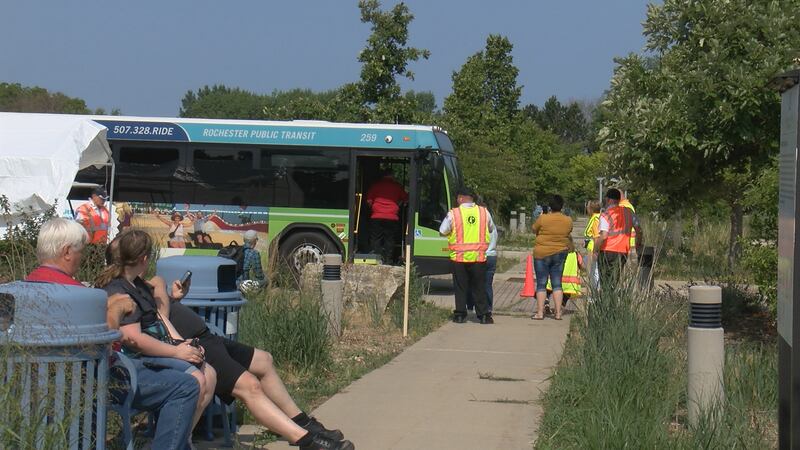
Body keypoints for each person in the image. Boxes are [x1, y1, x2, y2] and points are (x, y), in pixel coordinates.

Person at [107, 238, 355, 450]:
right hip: (191, 345)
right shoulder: (123, 290)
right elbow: (141, 328)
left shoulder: (141, 286)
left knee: (264, 360)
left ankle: (301, 421)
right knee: (250, 386)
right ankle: (306, 441)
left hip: (207, 337)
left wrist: (172, 297)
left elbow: (158, 290)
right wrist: (168, 314)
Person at [26, 218, 200, 450]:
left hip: (34, 385)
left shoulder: (24, 287)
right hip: (92, 383)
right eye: (81, 251)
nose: (83, 257)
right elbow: (102, 348)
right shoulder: (77, 295)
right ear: (67, 252)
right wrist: (116, 310)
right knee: (185, 386)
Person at [94, 230, 216, 437]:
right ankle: (172, 440)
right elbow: (133, 339)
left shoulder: (136, 284)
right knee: (197, 379)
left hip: (153, 351)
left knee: (209, 374)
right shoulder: (119, 289)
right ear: (144, 259)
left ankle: (181, 439)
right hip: (135, 360)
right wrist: (177, 352)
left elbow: (155, 311)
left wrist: (179, 343)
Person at [439, 188, 495, 324]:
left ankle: (460, 315)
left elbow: (442, 231)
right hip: (478, 257)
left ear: (460, 198)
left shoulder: (454, 213)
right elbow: (491, 228)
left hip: (459, 258)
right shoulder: (484, 212)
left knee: (460, 287)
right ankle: (483, 316)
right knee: (479, 286)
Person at [531, 195, 573, 320]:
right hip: (560, 253)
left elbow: (534, 229)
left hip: (541, 253)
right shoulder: (568, 220)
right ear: (562, 206)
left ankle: (539, 313)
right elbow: (569, 231)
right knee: (557, 283)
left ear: (550, 207)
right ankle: (558, 313)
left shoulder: (543, 218)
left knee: (541, 284)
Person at [593, 188, 644, 289]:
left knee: (605, 281)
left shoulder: (606, 214)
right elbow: (639, 230)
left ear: (608, 200)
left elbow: (603, 235)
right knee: (614, 280)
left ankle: (605, 302)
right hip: (623, 251)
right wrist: (638, 243)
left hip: (607, 251)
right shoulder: (629, 212)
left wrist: (595, 250)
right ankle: (612, 301)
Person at [365, 170, 408, 265]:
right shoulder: (397, 186)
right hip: (392, 217)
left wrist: (374, 208)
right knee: (390, 238)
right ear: (391, 176)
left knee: (376, 238)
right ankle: (388, 260)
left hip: (376, 216)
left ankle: (377, 258)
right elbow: (406, 199)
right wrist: (398, 204)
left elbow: (368, 200)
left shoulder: (376, 185)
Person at [583, 200, 602, 291]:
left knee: (593, 271)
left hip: (593, 248)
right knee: (594, 270)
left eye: (587, 207)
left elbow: (596, 236)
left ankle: (595, 291)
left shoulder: (595, 220)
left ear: (591, 209)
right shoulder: (598, 217)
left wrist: (595, 251)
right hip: (592, 247)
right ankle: (596, 290)